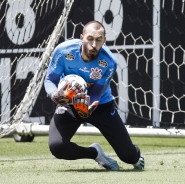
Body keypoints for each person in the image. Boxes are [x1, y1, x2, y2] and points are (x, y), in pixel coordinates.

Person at [44, 20, 144, 171]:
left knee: (129, 157)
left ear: (104, 40)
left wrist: (90, 106)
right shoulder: (63, 51)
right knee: (57, 147)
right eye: (90, 38)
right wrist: (55, 94)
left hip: (100, 107)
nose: (94, 44)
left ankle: (135, 154)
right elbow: (50, 80)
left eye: (99, 40)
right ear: (82, 37)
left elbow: (97, 92)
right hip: (69, 105)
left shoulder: (109, 62)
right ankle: (95, 153)